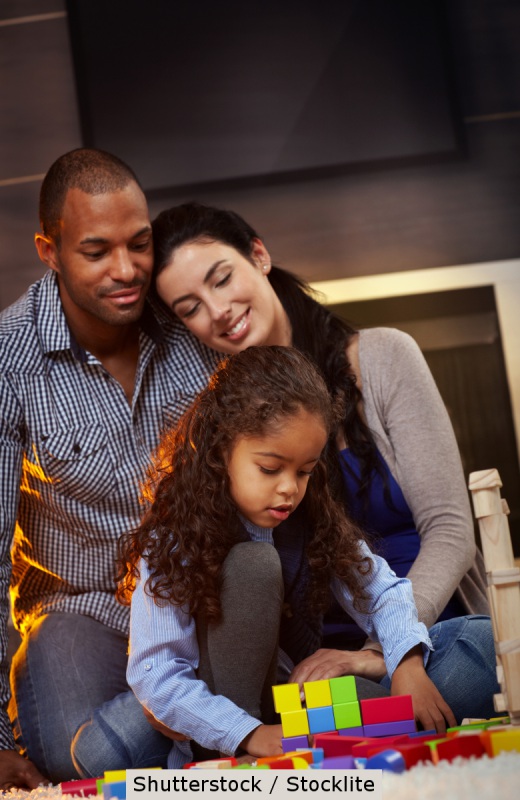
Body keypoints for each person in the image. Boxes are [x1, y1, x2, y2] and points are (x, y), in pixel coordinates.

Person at [148, 202, 496, 712]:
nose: (216, 310)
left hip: (425, 631)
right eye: (190, 307)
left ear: (259, 256)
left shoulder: (383, 359)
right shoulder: (217, 423)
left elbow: (450, 529)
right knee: (315, 701)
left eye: (221, 279)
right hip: (301, 663)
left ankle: (353, 712)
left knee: (475, 658)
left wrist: (383, 651)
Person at [115, 345, 455, 767]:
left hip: (290, 705)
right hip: (220, 726)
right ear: (222, 451)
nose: (290, 489)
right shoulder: (173, 537)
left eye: (305, 471)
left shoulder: (312, 518)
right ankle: (227, 758)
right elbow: (158, 675)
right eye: (270, 469)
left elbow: (382, 590)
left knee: (450, 675)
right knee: (253, 567)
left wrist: (406, 663)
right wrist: (249, 734)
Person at [0, 152, 217, 787]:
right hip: (81, 612)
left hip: (196, 605)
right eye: (96, 252)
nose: (127, 271)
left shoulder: (188, 322)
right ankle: (209, 718)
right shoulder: (9, 360)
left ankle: (209, 715)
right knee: (91, 764)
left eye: (140, 244)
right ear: (50, 249)